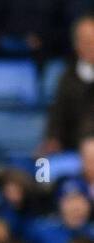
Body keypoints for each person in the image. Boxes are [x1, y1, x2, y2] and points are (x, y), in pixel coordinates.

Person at [40, 14, 94, 154]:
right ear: (76, 44)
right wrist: (52, 140)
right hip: (73, 149)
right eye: (85, 41)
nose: (90, 46)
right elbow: (57, 119)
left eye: (93, 41)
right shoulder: (66, 79)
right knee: (42, 165)